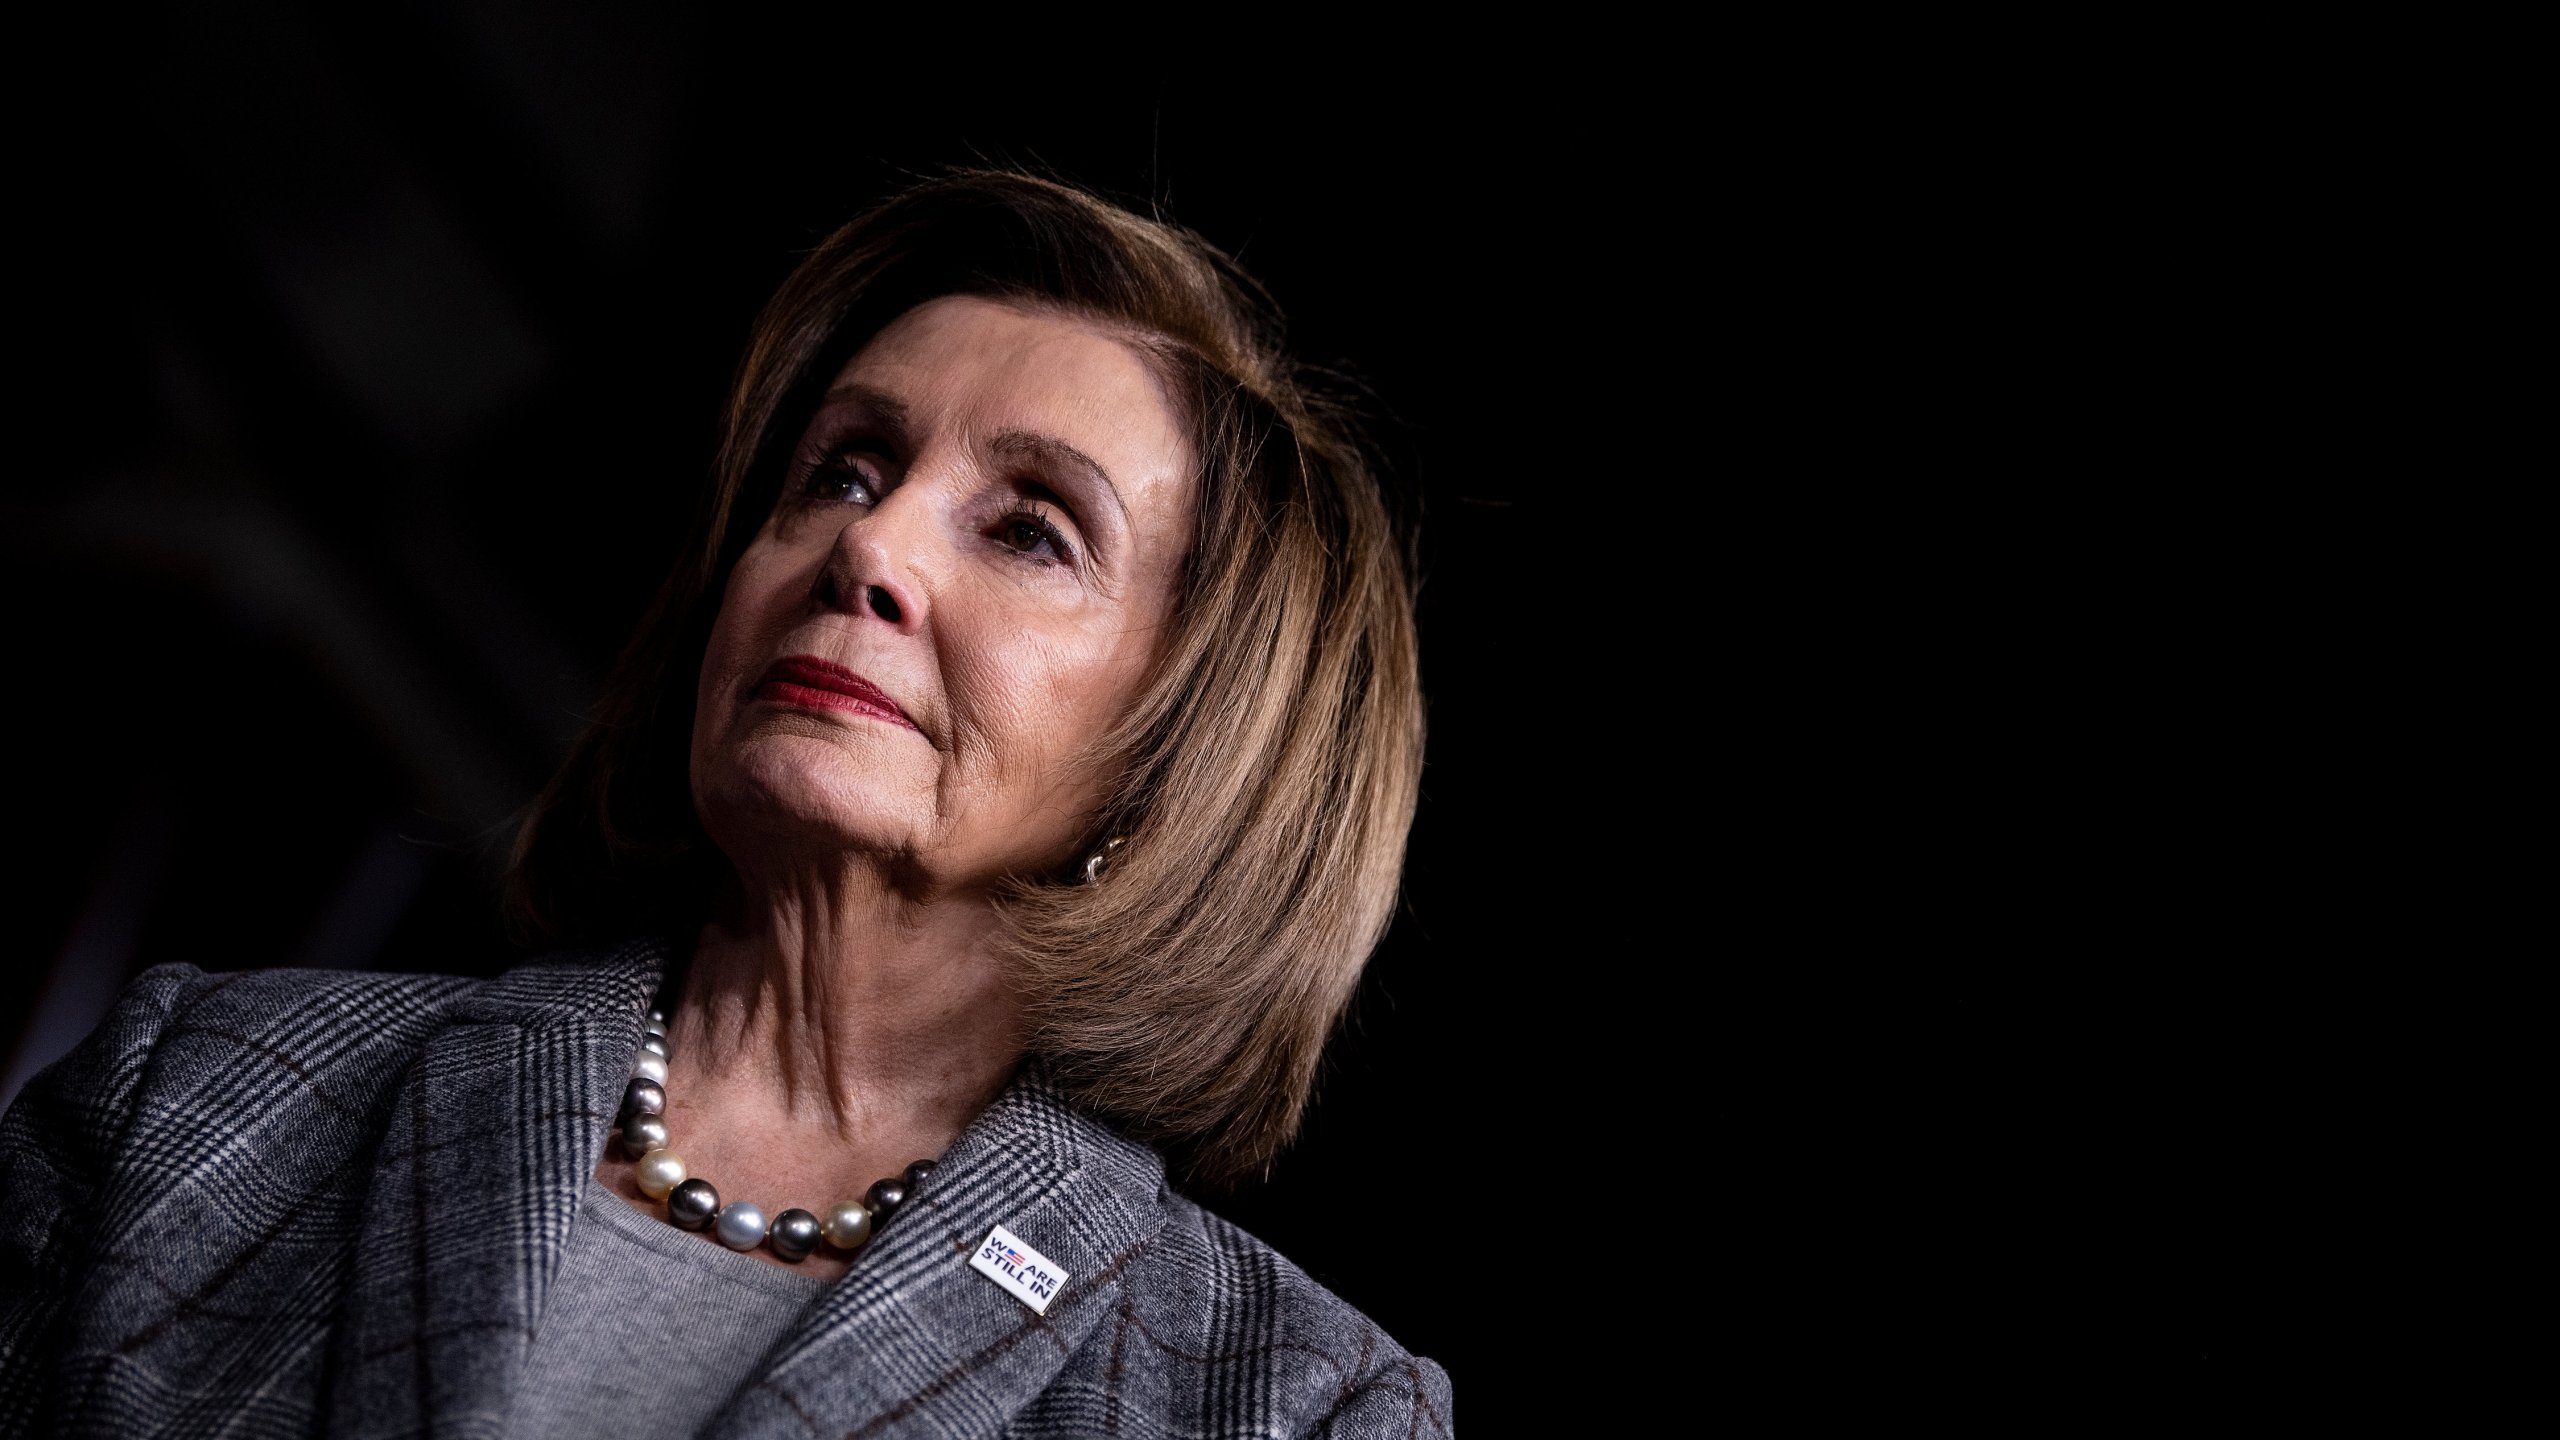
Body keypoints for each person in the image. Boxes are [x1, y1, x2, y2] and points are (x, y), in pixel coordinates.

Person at [0, 171, 1448, 1438]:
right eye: (840, 471)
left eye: (1028, 529)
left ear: (1184, 755)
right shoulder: (189, 1093)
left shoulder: (1294, 1403)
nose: (866, 543)